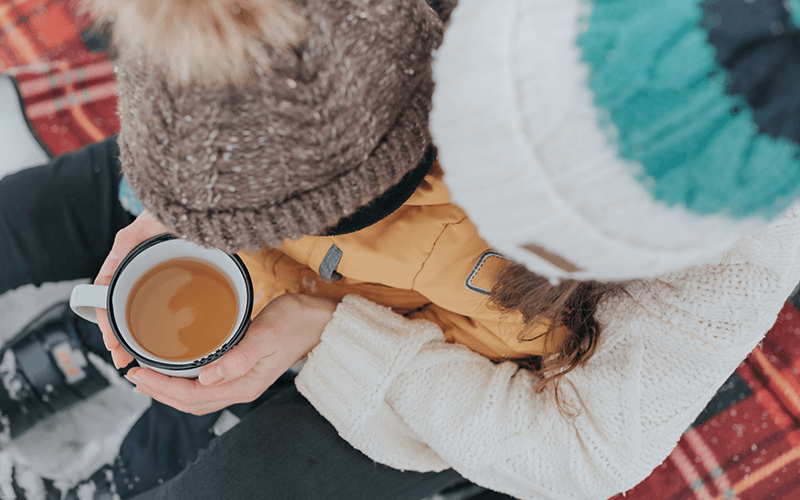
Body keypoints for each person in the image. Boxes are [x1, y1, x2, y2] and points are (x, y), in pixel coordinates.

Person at [2, 0, 800, 500]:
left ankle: (133, 458)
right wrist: (182, 204)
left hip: (448, 360)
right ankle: (99, 346)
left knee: (243, 469)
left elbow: (586, 451)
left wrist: (332, 334)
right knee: (54, 220)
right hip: (291, 213)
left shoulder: (737, 229)